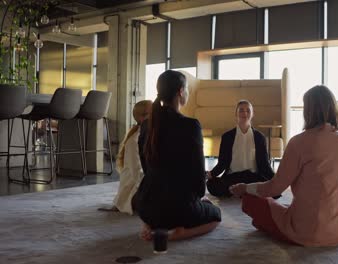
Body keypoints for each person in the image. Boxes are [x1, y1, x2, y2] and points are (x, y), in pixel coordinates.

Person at [230, 85, 338, 246]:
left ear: (309, 111)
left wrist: (245, 188)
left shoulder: (299, 142)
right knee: (279, 205)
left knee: (251, 200)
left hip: (308, 231)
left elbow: (275, 188)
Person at [135, 70, 221, 252]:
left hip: (145, 204)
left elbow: (146, 166)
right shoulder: (190, 125)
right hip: (177, 208)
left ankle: (151, 225)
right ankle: (174, 234)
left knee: (162, 208)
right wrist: (200, 197)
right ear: (181, 91)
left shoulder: (146, 125)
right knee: (215, 215)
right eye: (187, 89)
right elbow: (198, 175)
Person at [206, 100, 275, 197]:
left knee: (274, 190)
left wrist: (275, 180)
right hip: (233, 177)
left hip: (253, 178)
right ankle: (246, 191)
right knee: (211, 184)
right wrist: (212, 174)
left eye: (248, 110)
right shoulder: (227, 137)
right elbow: (222, 163)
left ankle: (240, 191)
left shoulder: (260, 137)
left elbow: (265, 165)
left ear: (252, 114)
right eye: (241, 110)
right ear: (236, 113)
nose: (245, 113)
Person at [98, 100, 152, 214]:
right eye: (154, 113)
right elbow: (138, 175)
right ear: (143, 118)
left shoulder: (153, 136)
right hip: (134, 192)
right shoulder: (134, 141)